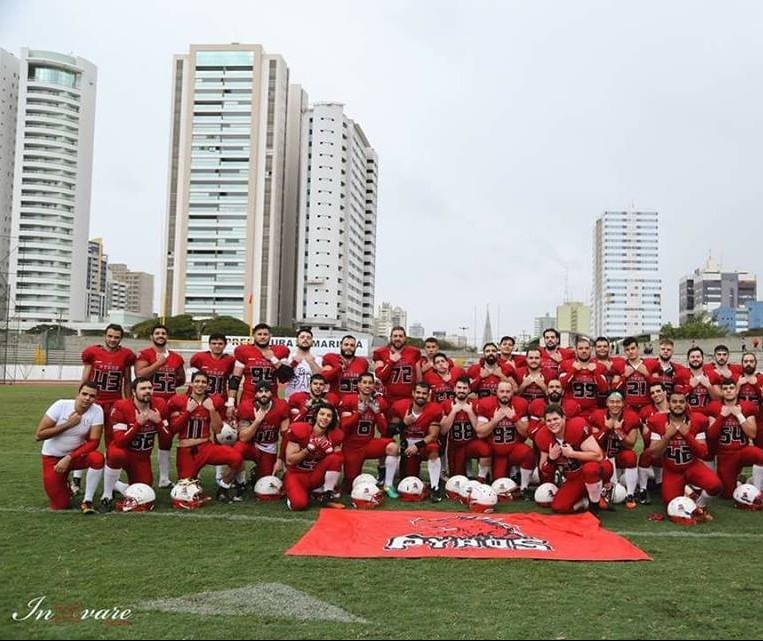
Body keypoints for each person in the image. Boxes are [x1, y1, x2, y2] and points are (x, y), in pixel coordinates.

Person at [73, 323, 134, 494]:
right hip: (94, 403)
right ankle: (77, 479)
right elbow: (85, 379)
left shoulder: (126, 355)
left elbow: (127, 381)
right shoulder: (92, 352)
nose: (112, 339)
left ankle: (112, 479)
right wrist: (80, 400)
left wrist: (128, 402)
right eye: (110, 336)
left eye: (116, 337)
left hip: (114, 404)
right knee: (85, 439)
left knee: (113, 442)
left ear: (121, 338)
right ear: (105, 336)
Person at [168, 371, 244, 503]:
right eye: (197, 381)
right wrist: (188, 412)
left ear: (208, 385)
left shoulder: (213, 401)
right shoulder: (179, 400)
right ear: (191, 383)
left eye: (203, 382)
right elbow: (174, 429)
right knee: (185, 493)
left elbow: (218, 429)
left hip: (205, 447)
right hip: (187, 452)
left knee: (236, 458)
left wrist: (212, 410)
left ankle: (223, 487)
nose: (200, 384)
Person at [648, 390, 722, 519]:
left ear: (686, 404)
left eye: (681, 402)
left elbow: (703, 452)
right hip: (672, 470)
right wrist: (667, 436)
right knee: (670, 504)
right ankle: (688, 491)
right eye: (674, 401)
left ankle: (700, 504)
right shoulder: (659, 421)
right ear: (669, 404)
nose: (678, 405)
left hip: (692, 466)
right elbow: (654, 453)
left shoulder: (697, 421)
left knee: (715, 486)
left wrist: (687, 435)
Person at [99, 377, 170, 511]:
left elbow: (167, 440)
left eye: (150, 388)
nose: (147, 391)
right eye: (143, 389)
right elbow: (120, 442)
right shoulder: (122, 406)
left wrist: (159, 422)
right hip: (125, 451)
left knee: (144, 492)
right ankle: (106, 496)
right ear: (133, 392)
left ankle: (118, 485)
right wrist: (138, 425)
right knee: (116, 454)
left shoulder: (160, 405)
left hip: (142, 457)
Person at [36, 382, 105, 513]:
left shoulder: (97, 410)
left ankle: (87, 501)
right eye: (84, 394)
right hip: (53, 458)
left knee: (97, 458)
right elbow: (39, 435)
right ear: (78, 394)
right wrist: (68, 424)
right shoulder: (61, 405)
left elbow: (94, 442)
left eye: (92, 396)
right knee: (59, 505)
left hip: (75, 456)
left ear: (96, 399)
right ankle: (66, 486)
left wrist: (69, 457)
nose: (87, 398)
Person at [535, 404, 613, 514]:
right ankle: (588, 500)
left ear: (564, 418)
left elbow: (597, 456)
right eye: (549, 420)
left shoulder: (575, 427)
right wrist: (551, 460)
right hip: (575, 477)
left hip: (596, 469)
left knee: (590, 469)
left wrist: (572, 454)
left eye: (556, 419)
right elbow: (544, 470)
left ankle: (594, 506)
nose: (552, 423)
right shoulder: (543, 436)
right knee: (560, 507)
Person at [135, 324, 186, 487]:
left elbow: (181, 379)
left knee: (166, 439)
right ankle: (137, 472)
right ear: (152, 336)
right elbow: (140, 375)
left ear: (167, 336)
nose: (160, 335)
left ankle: (164, 478)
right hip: (149, 403)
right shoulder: (145, 354)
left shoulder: (177, 358)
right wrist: (158, 364)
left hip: (169, 403)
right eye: (157, 333)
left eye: (163, 333)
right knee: (144, 438)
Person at [339, 372, 399, 496]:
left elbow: (384, 430)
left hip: (368, 443)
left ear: (374, 386)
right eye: (364, 382)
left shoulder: (378, 402)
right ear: (359, 385)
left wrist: (377, 412)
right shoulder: (349, 400)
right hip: (352, 447)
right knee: (349, 485)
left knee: (393, 447)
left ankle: (388, 484)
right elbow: (344, 426)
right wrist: (358, 413)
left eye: (370, 383)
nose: (367, 385)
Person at [388, 381, 445, 501]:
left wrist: (417, 446)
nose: (421, 396)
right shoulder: (401, 406)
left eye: (424, 393)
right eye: (418, 392)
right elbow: (391, 431)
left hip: (424, 446)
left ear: (428, 395)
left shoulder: (434, 409)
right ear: (413, 393)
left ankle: (435, 486)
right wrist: (404, 423)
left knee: (433, 448)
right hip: (408, 449)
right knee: (409, 480)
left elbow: (433, 435)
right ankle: (391, 477)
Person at [283, 403, 344, 510]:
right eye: (322, 414)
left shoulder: (334, 435)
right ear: (316, 416)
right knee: (299, 505)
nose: (325, 418)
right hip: (297, 475)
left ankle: (327, 495)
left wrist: (328, 450)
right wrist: (307, 450)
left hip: (315, 475)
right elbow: (290, 461)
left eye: (329, 416)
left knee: (336, 457)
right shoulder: (300, 430)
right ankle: (296, 493)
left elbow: (337, 461)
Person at [284, 328, 324, 399]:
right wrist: (294, 363)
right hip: (291, 398)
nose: (305, 339)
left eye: (308, 338)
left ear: (312, 342)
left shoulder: (318, 359)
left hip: (311, 399)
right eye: (302, 337)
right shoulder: (289, 357)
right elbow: (283, 378)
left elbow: (321, 379)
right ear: (296, 341)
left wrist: (312, 362)